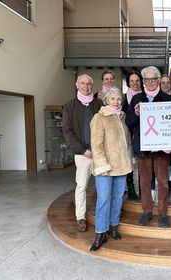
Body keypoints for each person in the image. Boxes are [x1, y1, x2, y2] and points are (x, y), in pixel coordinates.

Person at [126, 66, 171, 228]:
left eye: (154, 79)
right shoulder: (137, 98)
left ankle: (162, 213)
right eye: (147, 79)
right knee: (144, 182)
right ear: (143, 81)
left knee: (163, 182)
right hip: (143, 146)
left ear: (159, 80)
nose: (150, 82)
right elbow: (129, 122)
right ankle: (146, 211)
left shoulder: (167, 99)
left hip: (162, 148)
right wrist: (137, 114)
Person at [89, 87, 132, 251]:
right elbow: (96, 145)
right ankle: (100, 232)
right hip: (105, 168)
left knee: (117, 199)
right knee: (104, 200)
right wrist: (102, 166)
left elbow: (126, 144)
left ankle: (114, 226)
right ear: (106, 100)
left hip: (121, 166)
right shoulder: (99, 117)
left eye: (119, 98)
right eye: (113, 98)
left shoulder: (121, 117)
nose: (116, 101)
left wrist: (129, 161)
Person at [62, 74, 103, 232]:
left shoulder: (99, 104)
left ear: (92, 86)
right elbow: (67, 132)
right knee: (82, 186)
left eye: (89, 84)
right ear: (77, 85)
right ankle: (81, 218)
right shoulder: (69, 106)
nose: (86, 86)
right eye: (83, 83)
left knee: (103, 186)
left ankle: (102, 216)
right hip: (82, 154)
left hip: (100, 154)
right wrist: (83, 150)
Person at [123, 71, 144, 200]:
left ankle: (143, 189)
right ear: (128, 83)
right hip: (127, 134)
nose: (135, 83)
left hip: (142, 134)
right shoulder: (123, 97)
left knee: (142, 163)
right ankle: (131, 188)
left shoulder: (146, 96)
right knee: (129, 162)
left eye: (137, 80)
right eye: (132, 81)